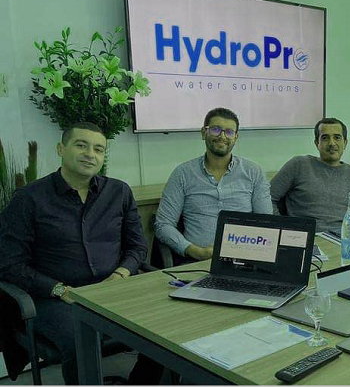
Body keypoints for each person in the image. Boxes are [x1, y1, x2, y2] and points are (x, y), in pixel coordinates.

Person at [0, 122, 148, 385]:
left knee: (164, 322)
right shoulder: (29, 198)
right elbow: (9, 263)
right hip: (56, 297)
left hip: (113, 287)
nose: (90, 154)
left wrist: (120, 275)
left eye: (98, 149)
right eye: (81, 145)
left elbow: (137, 247)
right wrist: (60, 290)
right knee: (81, 337)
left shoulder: (118, 192)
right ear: (61, 149)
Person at [155, 107, 271, 263]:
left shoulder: (253, 172)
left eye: (229, 132)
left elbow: (266, 222)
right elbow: (163, 224)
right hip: (197, 261)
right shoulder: (182, 174)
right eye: (216, 129)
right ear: (204, 133)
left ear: (236, 137)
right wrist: (194, 251)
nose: (222, 136)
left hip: (244, 259)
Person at [270, 118, 350, 232]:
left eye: (337, 137)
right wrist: (283, 228)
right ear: (317, 143)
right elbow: (267, 198)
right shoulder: (299, 165)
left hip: (344, 236)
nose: (332, 143)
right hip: (308, 236)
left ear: (345, 143)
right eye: (325, 138)